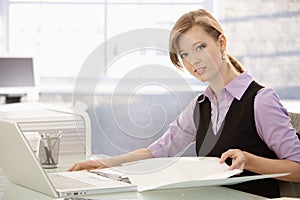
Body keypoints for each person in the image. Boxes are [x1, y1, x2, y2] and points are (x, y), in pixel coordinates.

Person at [68, 9, 300, 198]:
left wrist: (250, 161)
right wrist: (104, 164)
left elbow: (297, 169)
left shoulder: (260, 100)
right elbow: (158, 150)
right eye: (184, 55)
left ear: (221, 42)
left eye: (200, 47)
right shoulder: (201, 105)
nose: (193, 61)